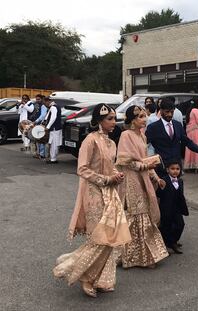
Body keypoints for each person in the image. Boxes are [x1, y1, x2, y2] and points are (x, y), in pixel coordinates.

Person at [53, 104, 131, 298]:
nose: (114, 122)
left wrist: (116, 174)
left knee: (111, 240)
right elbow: (82, 169)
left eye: (114, 118)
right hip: (94, 193)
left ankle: (100, 278)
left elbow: (110, 167)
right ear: (99, 121)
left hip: (110, 193)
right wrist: (105, 179)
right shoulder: (90, 140)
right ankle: (84, 276)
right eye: (110, 119)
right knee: (98, 238)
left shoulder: (111, 143)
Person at [116, 105, 169, 268]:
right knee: (135, 214)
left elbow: (145, 159)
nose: (144, 119)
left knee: (144, 213)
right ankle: (132, 256)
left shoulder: (142, 136)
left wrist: (157, 177)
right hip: (132, 180)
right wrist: (145, 167)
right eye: (140, 116)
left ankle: (146, 255)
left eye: (145, 116)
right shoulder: (126, 135)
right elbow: (124, 160)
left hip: (144, 179)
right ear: (132, 120)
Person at [146, 98, 198, 176]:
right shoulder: (153, 127)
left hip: (176, 168)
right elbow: (143, 143)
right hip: (162, 168)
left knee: (178, 187)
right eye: (167, 112)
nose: (170, 114)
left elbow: (186, 141)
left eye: (172, 112)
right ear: (161, 111)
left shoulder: (177, 125)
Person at [156, 160, 189, 254]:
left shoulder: (180, 181)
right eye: (172, 169)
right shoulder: (164, 180)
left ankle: (173, 241)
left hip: (177, 208)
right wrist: (161, 188)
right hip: (166, 209)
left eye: (177, 169)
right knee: (166, 227)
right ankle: (169, 243)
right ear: (167, 170)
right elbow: (158, 193)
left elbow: (180, 195)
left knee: (180, 224)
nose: (175, 171)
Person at [183, 99, 198, 171]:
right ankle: (197, 166)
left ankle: (189, 165)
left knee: (190, 148)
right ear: (196, 103)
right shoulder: (196, 110)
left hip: (190, 132)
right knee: (196, 147)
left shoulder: (191, 110)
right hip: (196, 132)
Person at [43, 96, 62, 164]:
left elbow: (53, 118)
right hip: (56, 128)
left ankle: (53, 159)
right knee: (54, 143)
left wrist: (48, 127)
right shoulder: (54, 106)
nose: (44, 104)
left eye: (45, 103)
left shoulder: (53, 107)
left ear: (48, 101)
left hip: (54, 128)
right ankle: (53, 158)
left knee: (54, 143)